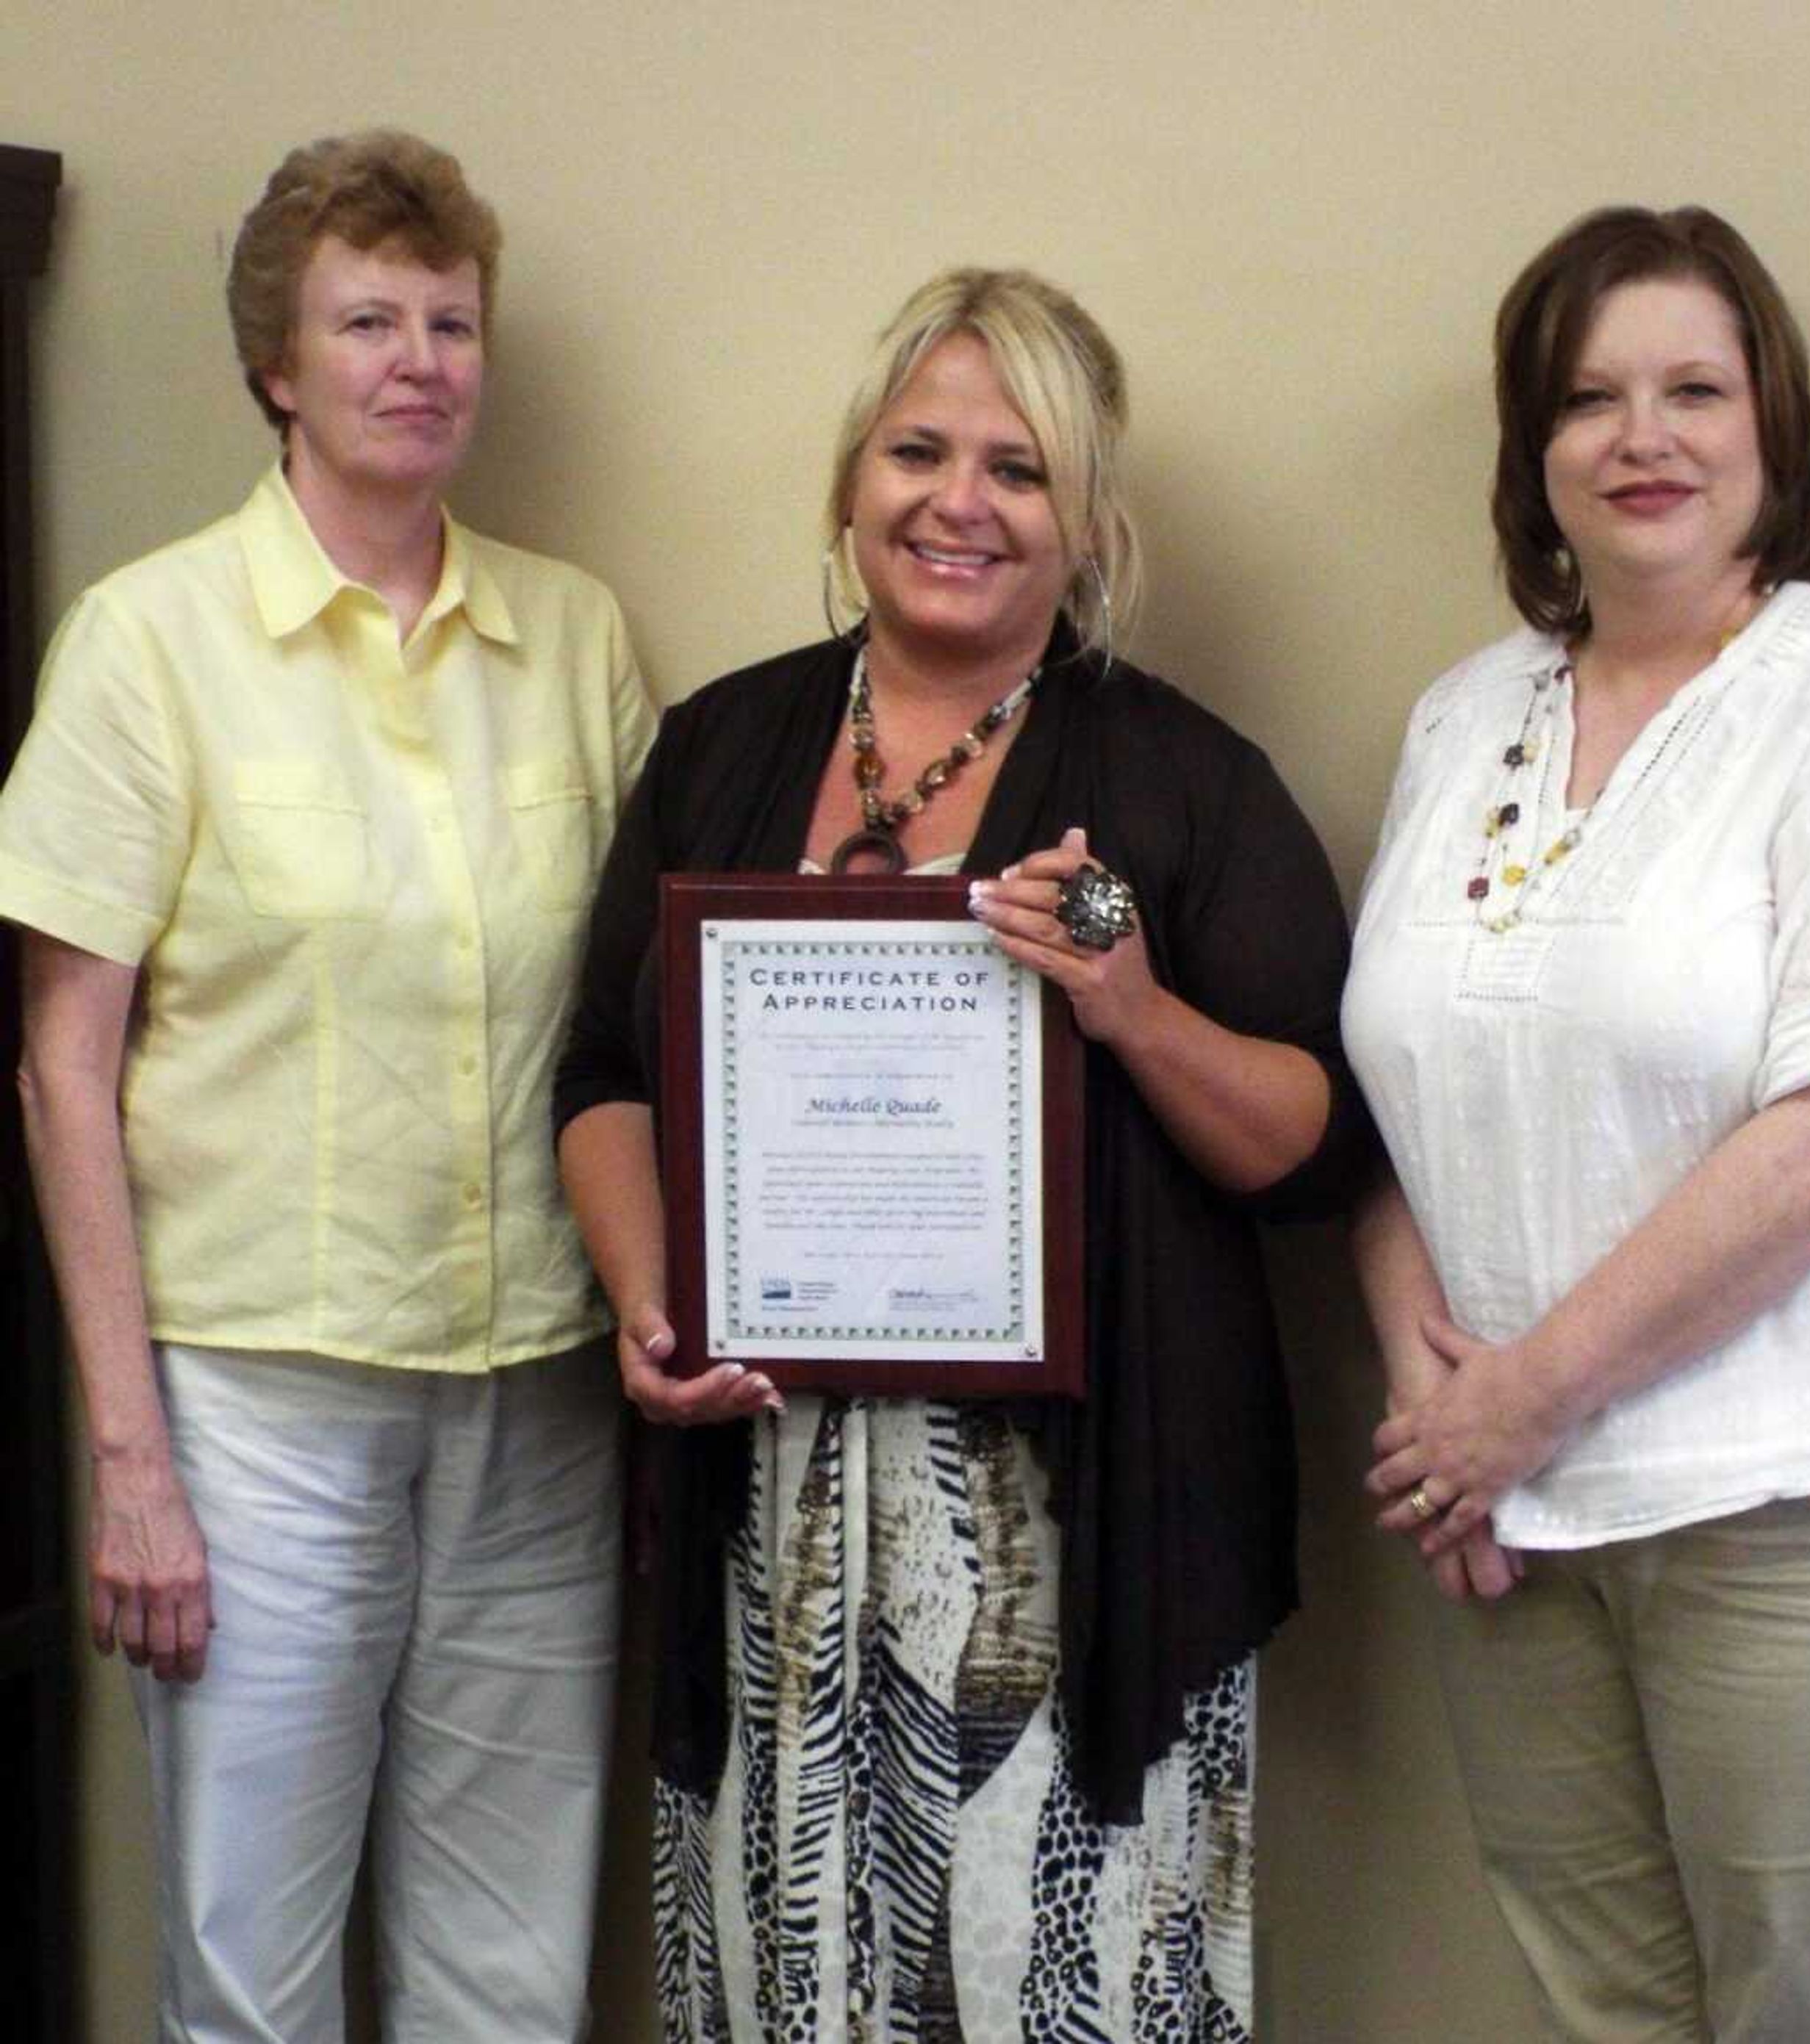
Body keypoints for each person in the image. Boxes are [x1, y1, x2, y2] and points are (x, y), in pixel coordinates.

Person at [554, 266, 1371, 2043]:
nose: (960, 501)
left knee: (1056, 1976)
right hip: (770, 1501)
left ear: (1085, 521)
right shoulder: (723, 746)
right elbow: (607, 1073)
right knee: (790, 1972)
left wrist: (1134, 1007)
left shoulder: (1182, 779)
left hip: (1082, 1534)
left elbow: (1311, 1142)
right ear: (853, 480)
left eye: (1018, 468)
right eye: (919, 450)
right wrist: (647, 1297)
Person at [1342, 206, 1810, 2043]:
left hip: (1800, 1501)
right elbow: (1406, 1092)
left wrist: (1521, 1398)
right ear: (1533, 451)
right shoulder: (1462, 714)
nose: (1642, 436)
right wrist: (1433, 1398)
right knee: (1605, 2019)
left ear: (1773, 431)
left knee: (1798, 2019)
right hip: (1510, 1511)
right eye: (1590, 397)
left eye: (1694, 389)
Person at [0, 132, 650, 2040]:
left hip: (534, 1397)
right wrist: (130, 1460)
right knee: (247, 1966)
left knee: (509, 1965)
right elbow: (62, 1065)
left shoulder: (579, 640)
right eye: (368, 317)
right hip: (257, 1409)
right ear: (277, 363)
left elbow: (634, 1029)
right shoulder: (150, 640)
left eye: (453, 318)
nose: (421, 356)